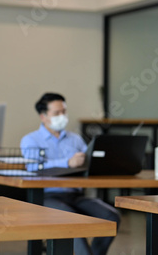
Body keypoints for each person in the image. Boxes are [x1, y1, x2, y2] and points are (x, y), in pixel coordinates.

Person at [20, 92, 120, 255]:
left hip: (75, 195)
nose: (62, 116)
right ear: (43, 116)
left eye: (64, 112)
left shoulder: (75, 139)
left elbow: (88, 164)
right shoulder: (30, 140)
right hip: (46, 197)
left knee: (111, 216)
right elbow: (33, 167)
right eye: (56, 113)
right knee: (73, 221)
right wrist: (67, 162)